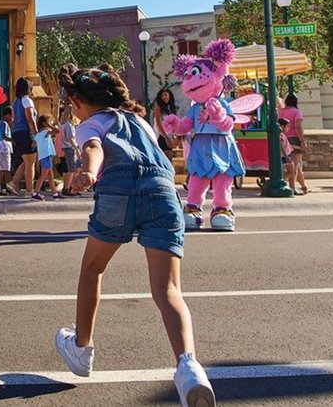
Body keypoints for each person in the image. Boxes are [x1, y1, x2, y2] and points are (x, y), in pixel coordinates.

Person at [52, 64, 216, 407]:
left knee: (93, 269)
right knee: (169, 289)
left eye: (72, 105)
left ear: (80, 102)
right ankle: (190, 369)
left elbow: (94, 148)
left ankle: (82, 349)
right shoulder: (139, 120)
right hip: (162, 193)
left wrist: (89, 173)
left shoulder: (91, 124)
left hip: (118, 191)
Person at [8, 77, 38, 197]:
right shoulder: (27, 100)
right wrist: (36, 135)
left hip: (17, 132)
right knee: (31, 163)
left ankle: (14, 182)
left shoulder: (15, 102)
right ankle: (30, 191)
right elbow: (30, 119)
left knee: (26, 161)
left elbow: (14, 119)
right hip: (26, 132)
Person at [278, 94, 309, 195]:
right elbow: (298, 127)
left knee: (296, 166)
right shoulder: (297, 112)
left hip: (283, 138)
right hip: (294, 139)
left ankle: (304, 187)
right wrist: (302, 141)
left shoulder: (281, 111)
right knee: (294, 166)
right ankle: (292, 188)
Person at [31, 114, 62, 200]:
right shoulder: (45, 132)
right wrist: (49, 126)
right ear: (45, 124)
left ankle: (55, 193)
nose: (52, 123)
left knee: (50, 176)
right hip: (46, 156)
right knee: (43, 175)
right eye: (50, 121)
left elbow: (33, 144)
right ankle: (35, 193)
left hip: (43, 156)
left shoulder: (39, 134)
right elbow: (57, 131)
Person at [59, 105, 82, 197]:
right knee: (72, 169)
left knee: (76, 168)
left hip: (67, 147)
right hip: (70, 147)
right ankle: (67, 188)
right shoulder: (68, 125)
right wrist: (76, 149)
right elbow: (70, 138)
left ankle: (71, 187)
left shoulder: (64, 124)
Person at [0, 106, 15, 195]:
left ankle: (7, 186)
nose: (12, 118)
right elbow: (3, 136)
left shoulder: (1, 123)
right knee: (3, 168)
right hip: (2, 148)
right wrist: (13, 140)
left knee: (5, 168)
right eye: (12, 116)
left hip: (1, 148)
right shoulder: (4, 124)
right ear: (8, 115)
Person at [153, 87, 179, 161]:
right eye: (162, 96)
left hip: (169, 135)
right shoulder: (158, 108)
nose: (164, 97)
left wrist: (174, 136)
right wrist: (166, 138)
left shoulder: (171, 109)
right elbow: (159, 124)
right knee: (165, 157)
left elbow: (174, 124)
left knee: (170, 157)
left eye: (166, 95)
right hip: (161, 135)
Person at [278, 118, 297, 193]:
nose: (288, 128)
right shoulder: (279, 135)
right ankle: (280, 180)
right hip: (286, 156)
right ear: (282, 126)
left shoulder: (282, 135)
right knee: (291, 173)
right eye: (287, 126)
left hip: (288, 154)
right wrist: (286, 157)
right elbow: (281, 147)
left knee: (293, 172)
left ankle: (293, 189)